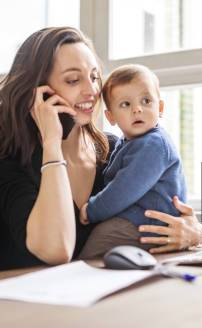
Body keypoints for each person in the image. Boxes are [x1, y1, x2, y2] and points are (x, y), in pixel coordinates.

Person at [0, 27, 202, 274]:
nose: (92, 91)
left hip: (85, 297)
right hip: (8, 300)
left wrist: (193, 231)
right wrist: (52, 143)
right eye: (73, 80)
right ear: (39, 92)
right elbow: (56, 251)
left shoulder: (112, 150)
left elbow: (161, 208)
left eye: (94, 77)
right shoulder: (8, 159)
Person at [78, 64, 187, 259]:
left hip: (146, 225)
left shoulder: (154, 145)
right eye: (125, 104)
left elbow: (124, 188)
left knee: (90, 255)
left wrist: (92, 210)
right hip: (139, 222)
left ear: (160, 107)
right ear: (111, 117)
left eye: (146, 101)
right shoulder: (127, 142)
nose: (137, 109)